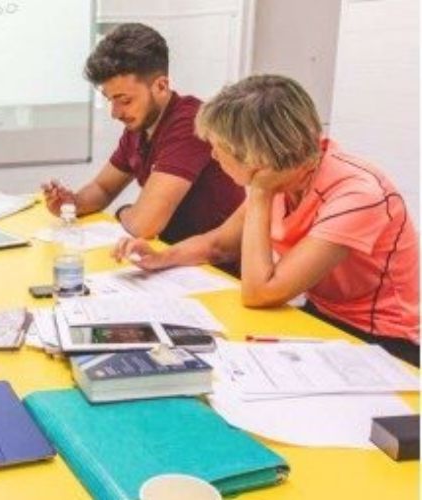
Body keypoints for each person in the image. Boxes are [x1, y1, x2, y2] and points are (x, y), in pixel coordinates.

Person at [114, 75, 419, 365]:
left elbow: (260, 292)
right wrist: (162, 257)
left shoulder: (357, 195)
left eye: (220, 148)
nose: (214, 156)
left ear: (257, 156)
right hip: (320, 316)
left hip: (383, 339)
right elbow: (219, 244)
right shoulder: (284, 176)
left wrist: (260, 193)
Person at [42, 23, 244, 246]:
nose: (115, 113)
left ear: (161, 86)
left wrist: (122, 211)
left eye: (125, 100)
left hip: (212, 262)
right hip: (169, 255)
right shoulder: (140, 125)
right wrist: (72, 204)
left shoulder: (191, 124)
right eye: (110, 100)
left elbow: (143, 225)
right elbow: (103, 188)